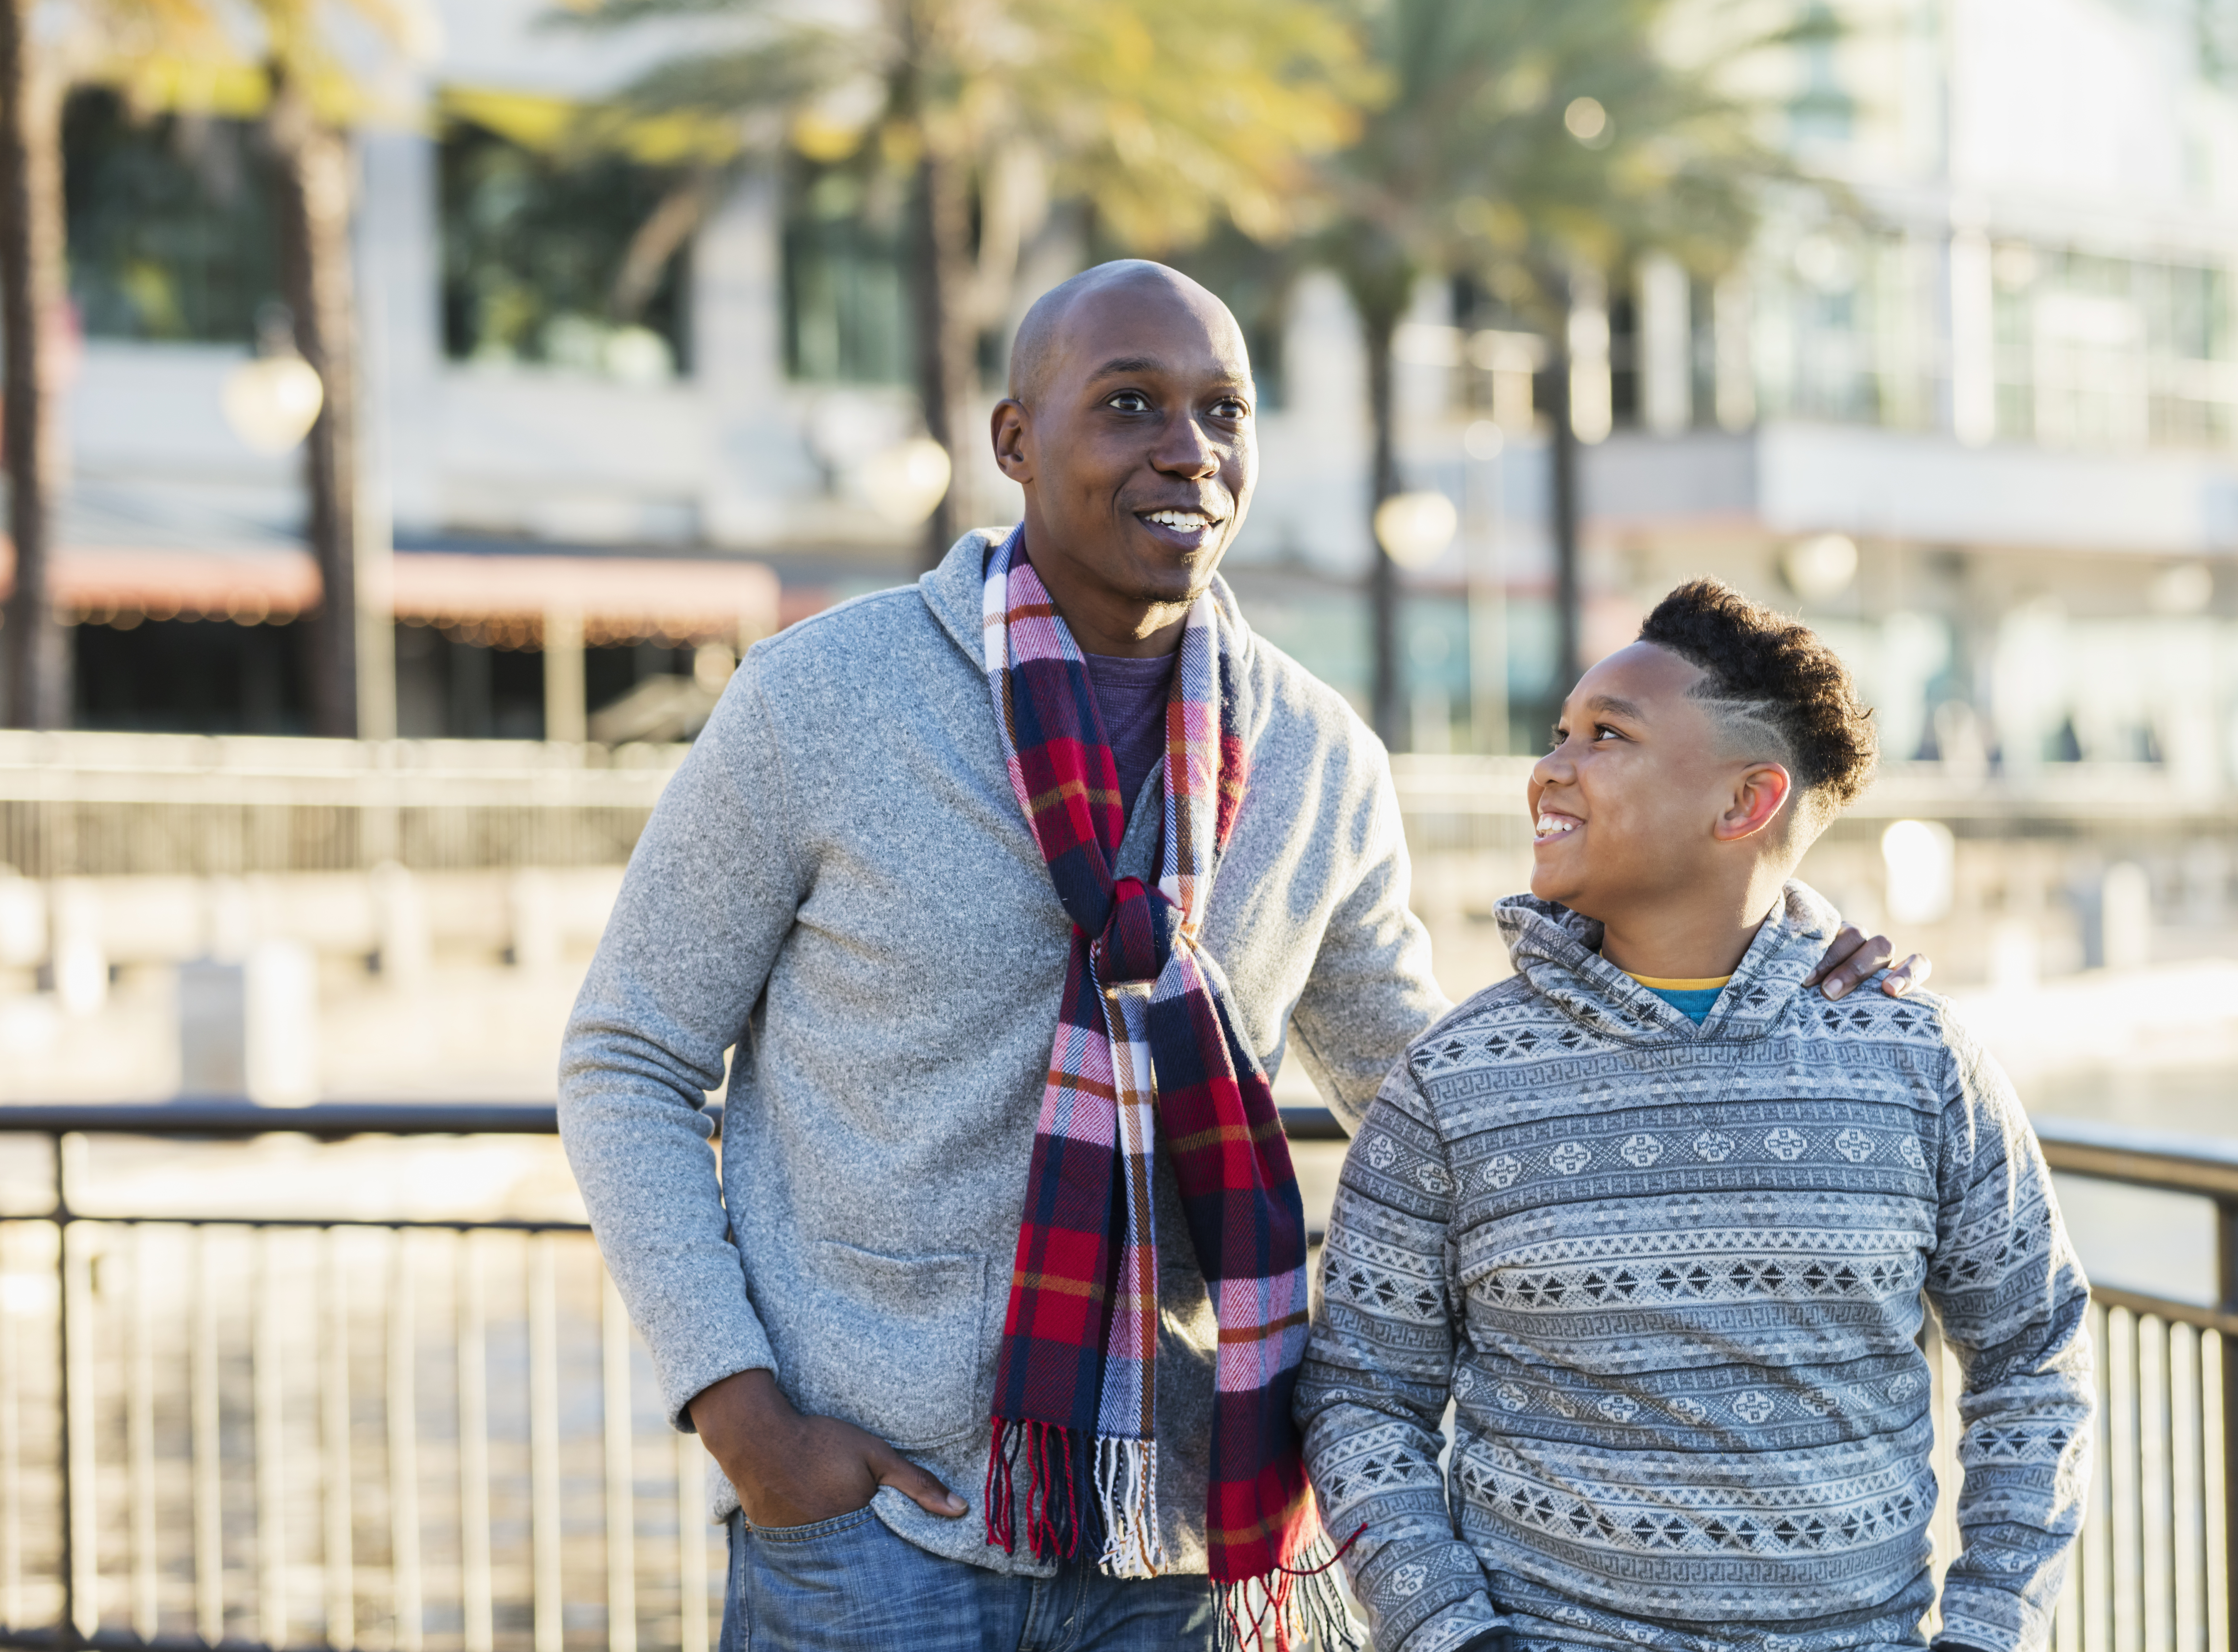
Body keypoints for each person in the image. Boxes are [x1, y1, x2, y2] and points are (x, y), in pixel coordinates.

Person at [558, 262, 1927, 1652]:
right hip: (871, 1528)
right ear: (1015, 442)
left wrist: (1759, 963)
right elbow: (627, 1057)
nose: (1188, 451)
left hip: (1183, 1534)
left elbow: (1436, 1084)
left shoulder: (1312, 752)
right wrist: (747, 1418)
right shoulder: (822, 698)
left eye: (1226, 410)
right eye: (1131, 405)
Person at [1298, 577, 2093, 1652]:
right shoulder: (1450, 1082)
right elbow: (1360, 1400)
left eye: (1607, 737)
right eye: (1560, 733)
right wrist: (1453, 1637)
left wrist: (1987, 1630)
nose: (1551, 767)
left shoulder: (1919, 1060)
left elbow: (2034, 1364)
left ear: (1742, 804)